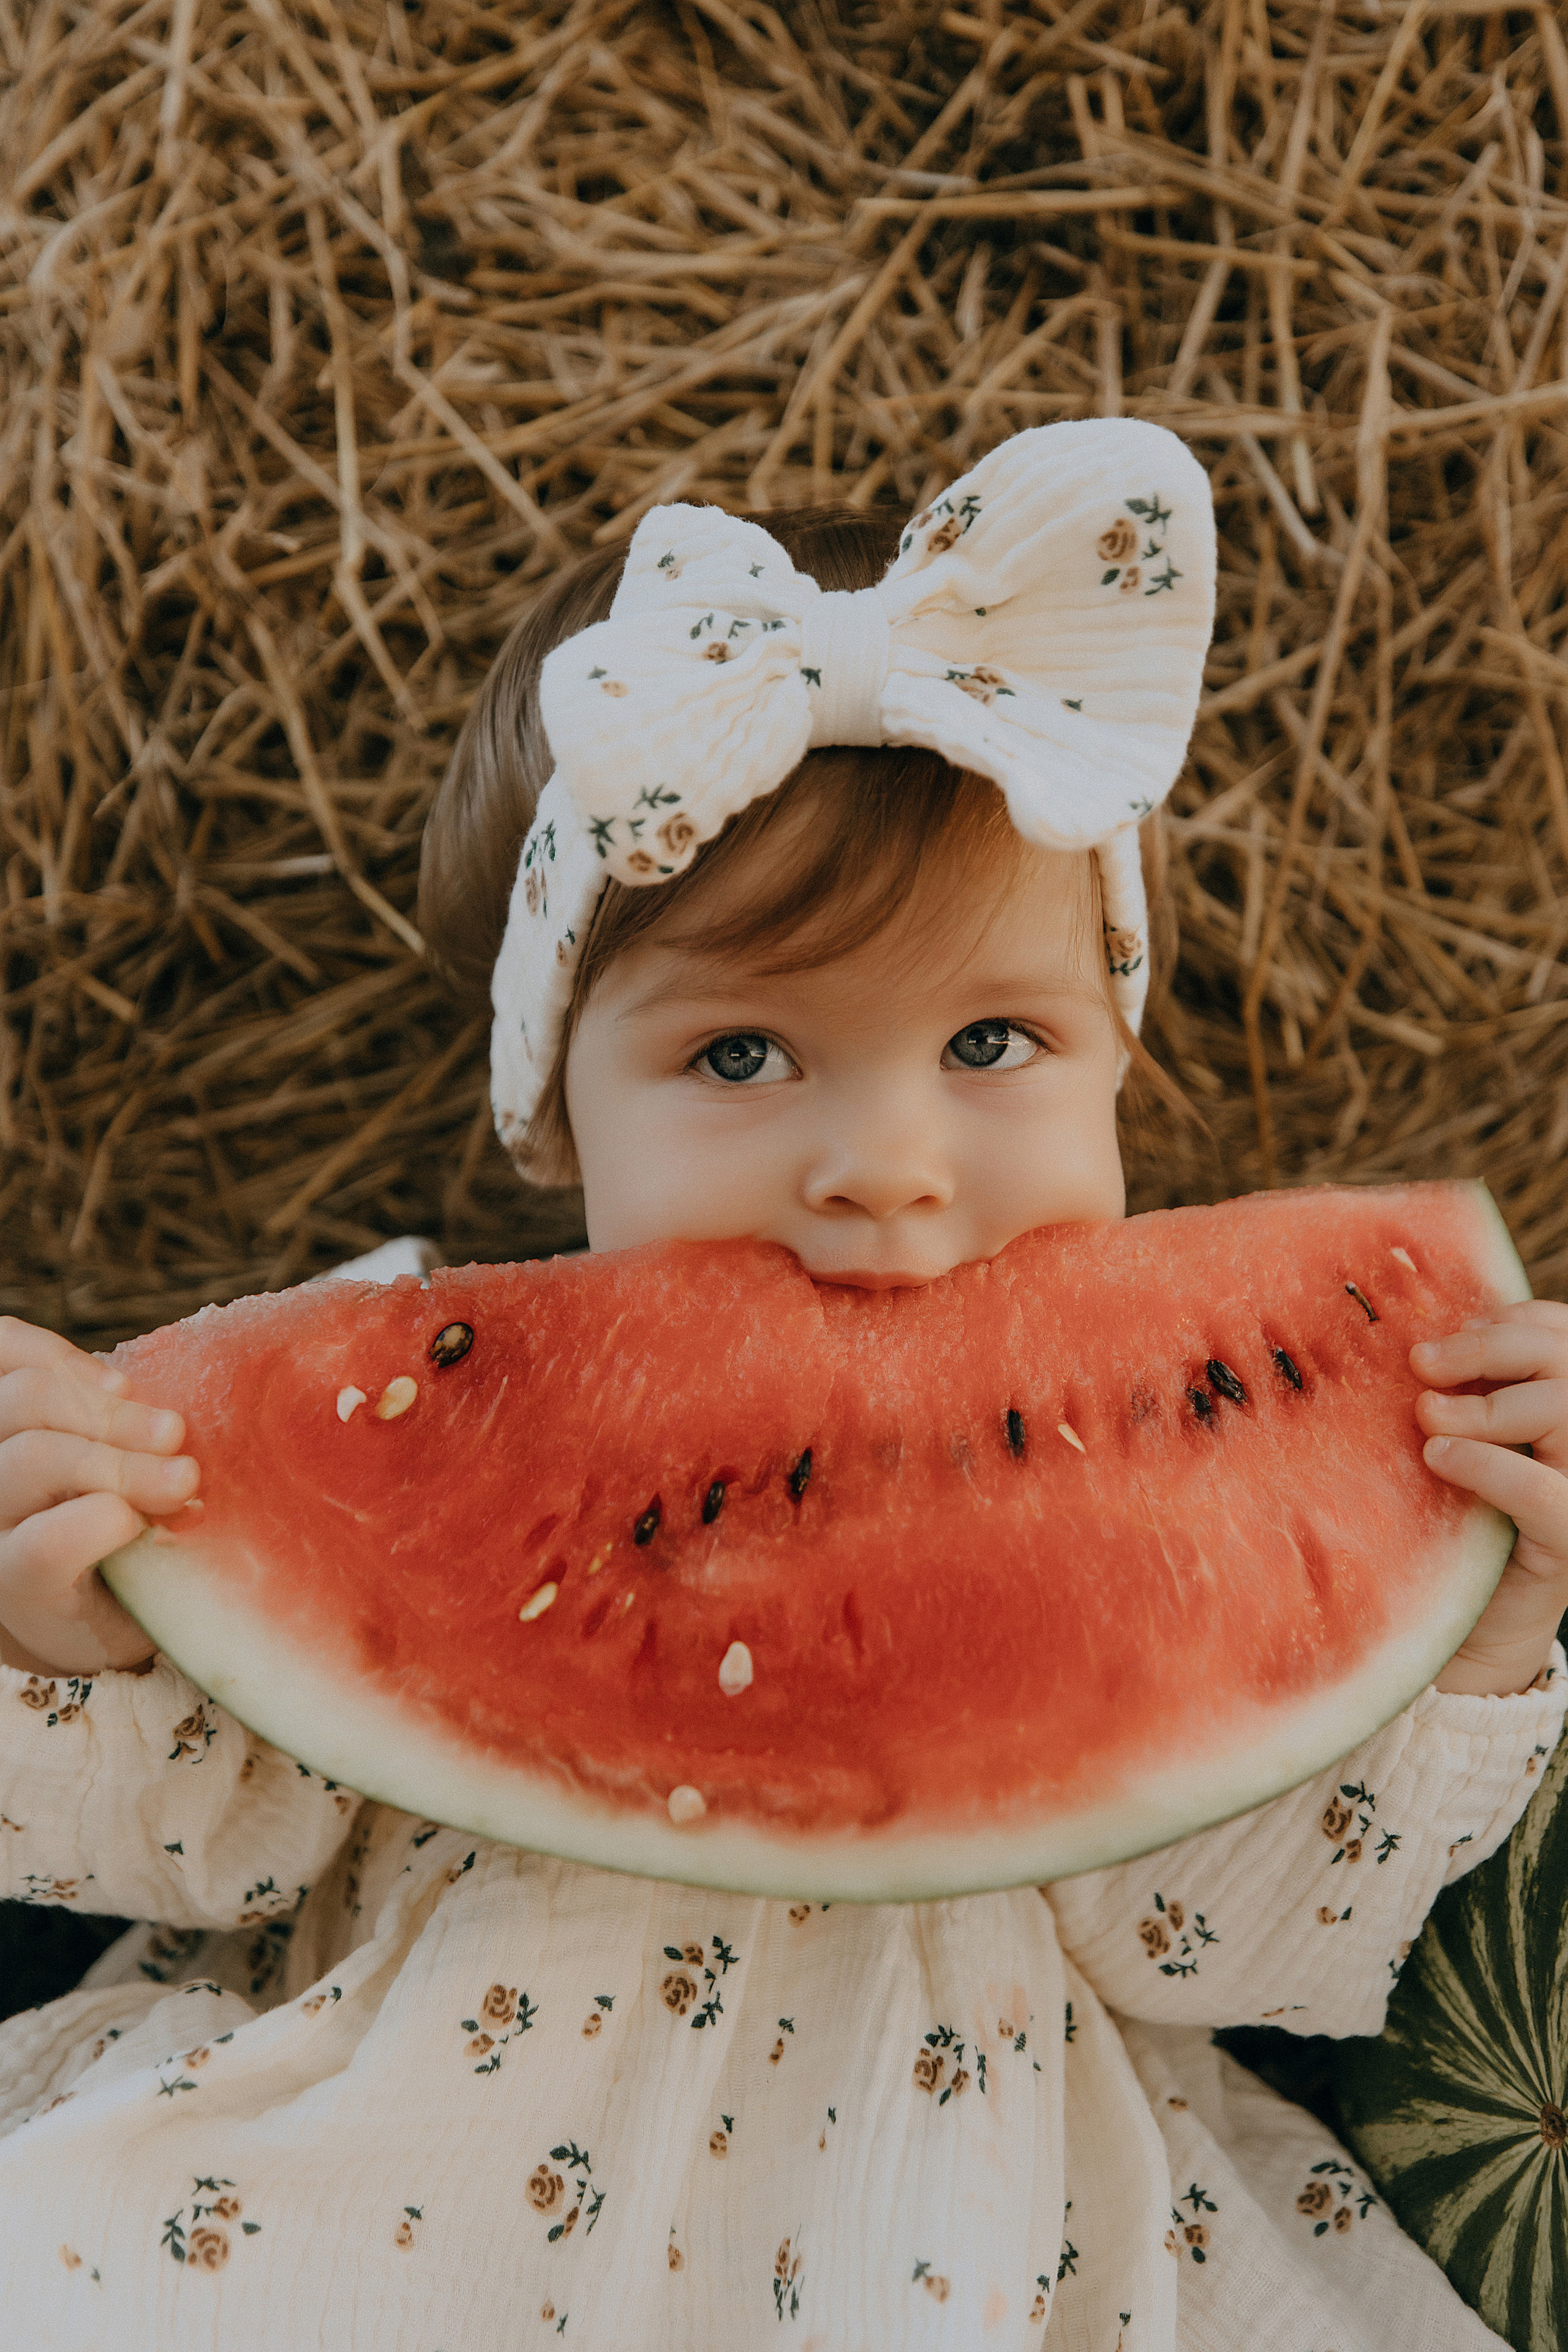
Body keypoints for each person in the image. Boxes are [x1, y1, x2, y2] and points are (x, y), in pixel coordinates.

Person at [1, 421, 1565, 2351]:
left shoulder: (1182, 1470)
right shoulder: (382, 1391)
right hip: (397, 2214)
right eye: (744, 1060)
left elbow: (1222, 1942)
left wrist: (1476, 1622)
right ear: (551, 1113)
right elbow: (200, 1841)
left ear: (1117, 1069)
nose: (889, 1163)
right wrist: (62, 1626)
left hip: (978, 2248)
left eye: (994, 1038)